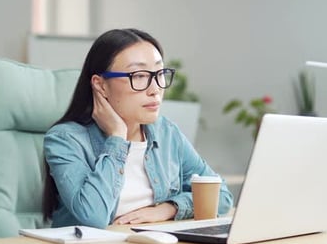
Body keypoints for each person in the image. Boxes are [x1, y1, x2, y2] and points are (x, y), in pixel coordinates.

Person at [43, 28, 233, 229]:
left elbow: (221, 196)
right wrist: (117, 137)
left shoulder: (167, 133)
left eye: (159, 73)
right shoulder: (65, 139)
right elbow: (93, 217)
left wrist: (169, 209)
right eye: (139, 75)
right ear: (100, 85)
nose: (155, 89)